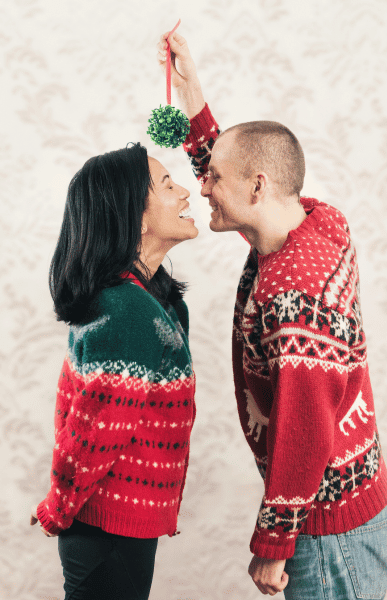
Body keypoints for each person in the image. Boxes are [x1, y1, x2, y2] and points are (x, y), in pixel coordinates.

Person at [157, 31, 387, 598]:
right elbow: (242, 183)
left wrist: (274, 544)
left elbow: (306, 428)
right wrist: (192, 97)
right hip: (355, 498)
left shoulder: (294, 293)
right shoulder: (316, 219)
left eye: (211, 178)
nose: (203, 188)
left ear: (258, 186)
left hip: (327, 525)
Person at [29, 143, 198, 600]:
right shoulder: (127, 309)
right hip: (106, 531)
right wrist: (57, 509)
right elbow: (93, 431)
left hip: (123, 525)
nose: (185, 193)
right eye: (166, 185)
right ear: (136, 217)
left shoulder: (153, 299)